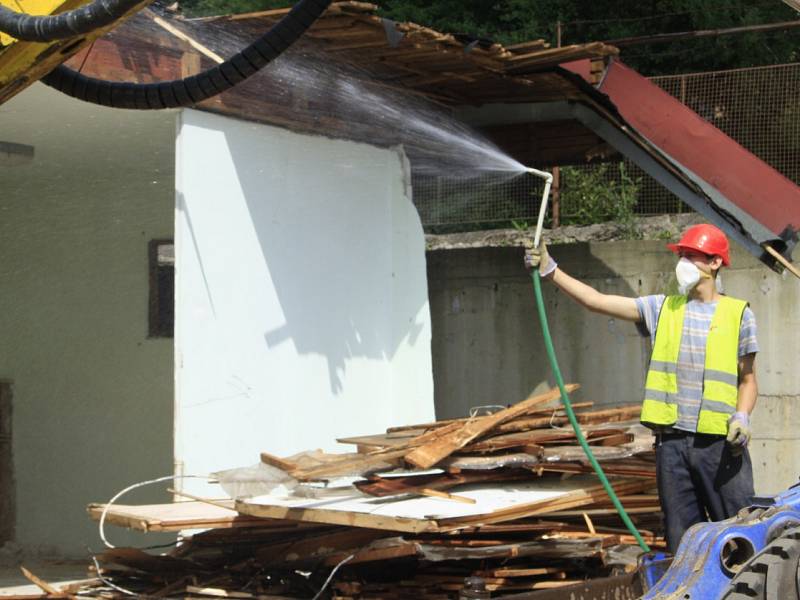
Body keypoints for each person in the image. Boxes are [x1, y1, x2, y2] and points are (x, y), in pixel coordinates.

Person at [525, 224, 758, 553]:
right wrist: (551, 271)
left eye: (691, 256)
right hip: (673, 445)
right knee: (683, 543)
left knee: (740, 536)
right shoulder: (663, 308)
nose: (684, 263)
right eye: (682, 256)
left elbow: (748, 379)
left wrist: (742, 417)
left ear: (715, 262)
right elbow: (597, 301)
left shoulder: (739, 314)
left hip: (719, 447)